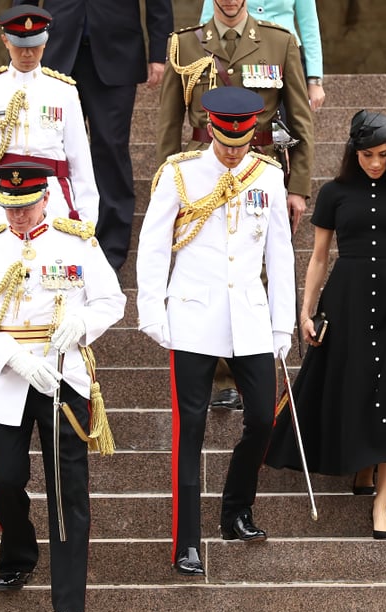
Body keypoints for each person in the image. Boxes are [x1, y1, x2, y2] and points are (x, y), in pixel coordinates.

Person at [0, 161, 125, 612]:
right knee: (6, 480)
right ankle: (19, 549)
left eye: (26, 207)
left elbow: (111, 300)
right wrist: (15, 359)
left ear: (46, 199)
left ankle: (69, 605)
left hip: (62, 376)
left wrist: (84, 326)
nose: (18, 217)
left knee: (67, 491)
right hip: (9, 376)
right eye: (10, 207)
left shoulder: (76, 242)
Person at [136, 87, 295, 576]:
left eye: (241, 144)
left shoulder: (266, 174)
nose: (233, 153)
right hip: (191, 317)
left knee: (263, 421)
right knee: (191, 432)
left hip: (249, 318)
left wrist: (281, 322)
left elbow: (280, 255)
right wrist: (152, 308)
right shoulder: (180, 173)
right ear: (210, 131)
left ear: (252, 135)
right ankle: (187, 541)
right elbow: (154, 244)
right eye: (226, 145)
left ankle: (236, 510)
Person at [264, 111, 386, 539]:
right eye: (367, 155)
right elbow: (321, 257)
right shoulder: (335, 193)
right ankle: (362, 469)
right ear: (353, 152)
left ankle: (381, 501)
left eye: (383, 155)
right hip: (344, 303)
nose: (376, 163)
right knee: (356, 385)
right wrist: (304, 313)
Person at [157, 0, 314, 411]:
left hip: (258, 168)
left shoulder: (279, 42)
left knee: (253, 266)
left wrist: (297, 185)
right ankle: (219, 374)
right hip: (200, 169)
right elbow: (168, 120)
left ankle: (250, 367)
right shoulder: (185, 45)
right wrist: (166, 184)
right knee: (206, 263)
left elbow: (300, 117)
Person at [33, 0, 174, 271]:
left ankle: (109, 255)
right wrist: (22, 44)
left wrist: (158, 53)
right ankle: (52, 239)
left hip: (117, 51)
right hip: (57, 52)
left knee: (111, 148)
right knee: (52, 151)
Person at [0, 4, 99, 248]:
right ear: (5, 41)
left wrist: (87, 219)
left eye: (34, 47)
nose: (27, 55)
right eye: (20, 47)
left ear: (45, 42)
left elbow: (80, 161)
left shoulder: (63, 91)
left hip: (51, 192)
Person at [199, 0, 326, 110]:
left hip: (287, 56)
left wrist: (314, 79)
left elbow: (309, 24)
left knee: (289, 123)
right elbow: (208, 20)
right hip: (242, 52)